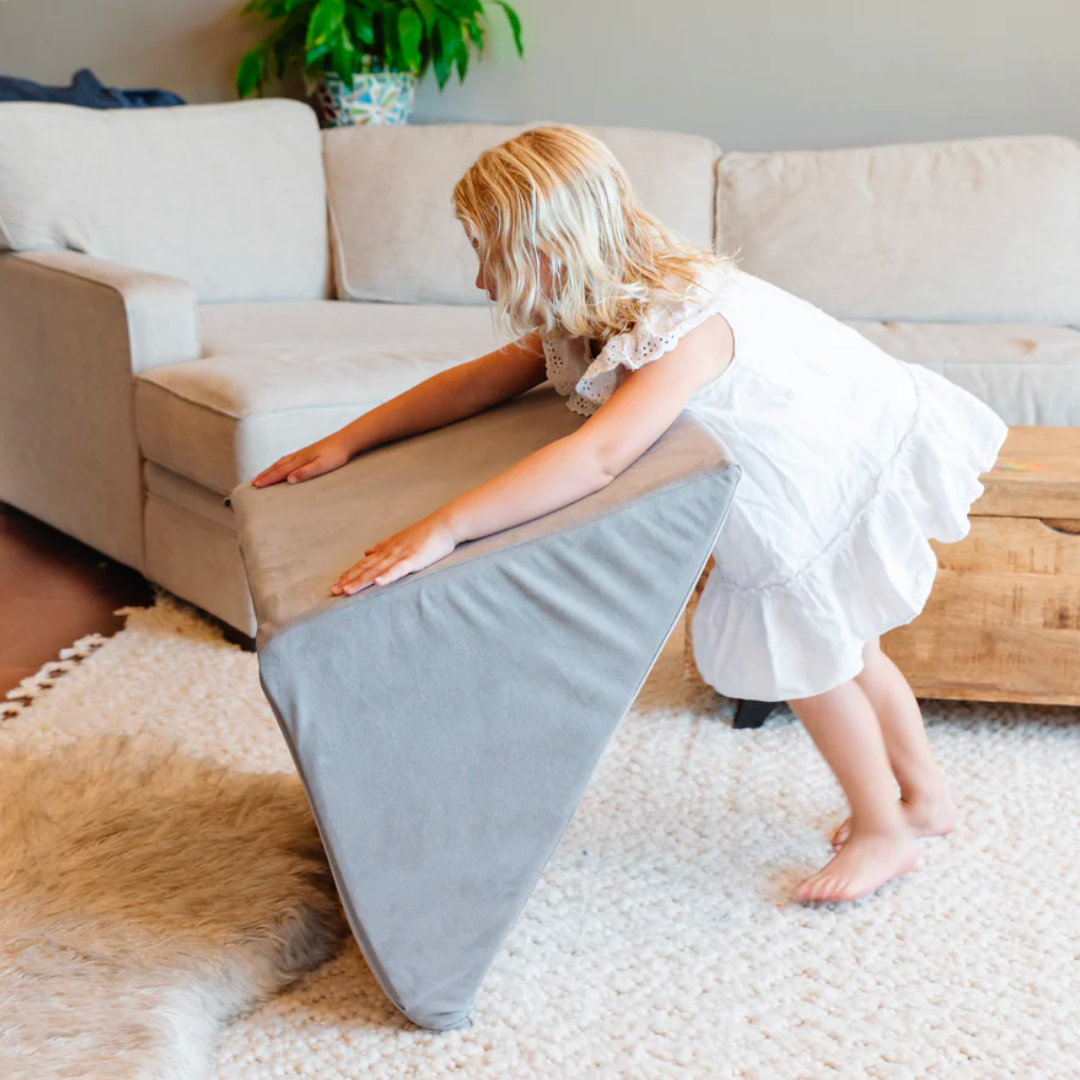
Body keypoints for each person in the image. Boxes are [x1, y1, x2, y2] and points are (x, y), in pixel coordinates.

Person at [251, 124, 1009, 905]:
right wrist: (349, 439)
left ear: (553, 248)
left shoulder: (679, 323)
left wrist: (443, 526)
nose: (481, 280)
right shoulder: (597, 293)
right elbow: (481, 380)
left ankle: (885, 830)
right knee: (848, 644)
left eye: (492, 256)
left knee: (814, 660)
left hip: (813, 463)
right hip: (818, 444)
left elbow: (600, 456)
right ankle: (926, 800)